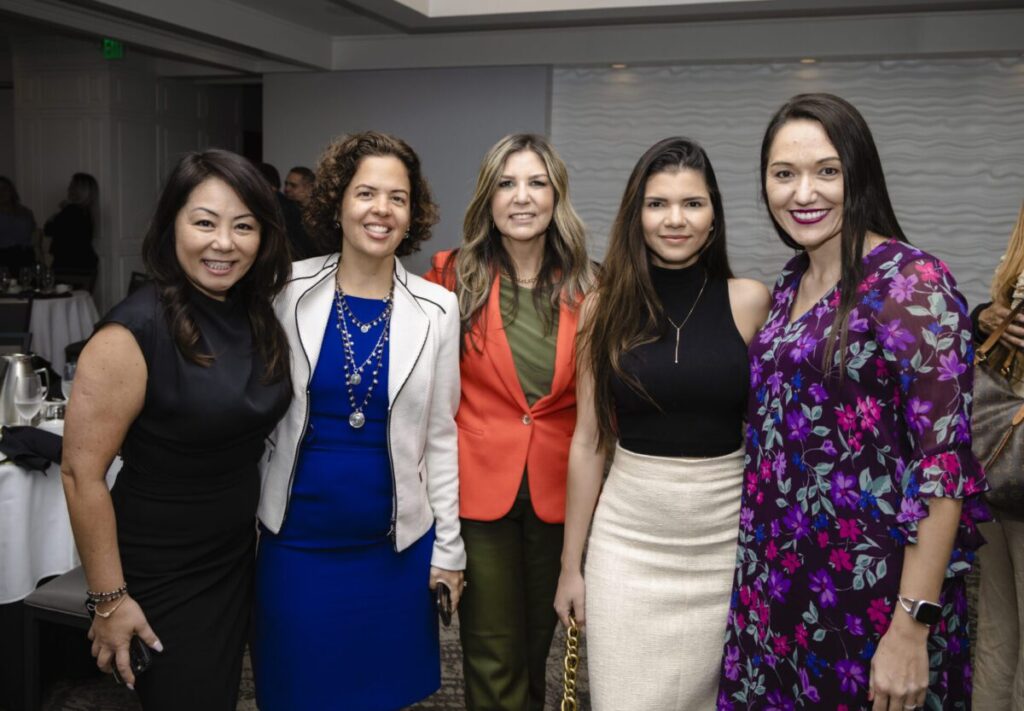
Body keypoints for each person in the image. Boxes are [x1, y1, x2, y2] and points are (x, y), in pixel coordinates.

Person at [715, 93, 989, 710]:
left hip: (871, 602)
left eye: (827, 171)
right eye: (784, 173)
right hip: (776, 588)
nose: (803, 192)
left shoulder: (912, 283)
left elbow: (942, 470)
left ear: (859, 174)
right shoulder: (791, 281)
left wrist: (911, 627)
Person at [60, 149, 292, 709]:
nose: (224, 243)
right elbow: (79, 474)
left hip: (236, 553)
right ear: (172, 226)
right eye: (205, 223)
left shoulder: (256, 313)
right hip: (163, 566)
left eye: (244, 226)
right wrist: (110, 600)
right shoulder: (132, 332)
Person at [551, 137, 769, 709]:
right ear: (636, 215)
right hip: (629, 544)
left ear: (714, 215)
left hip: (725, 543)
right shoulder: (602, 307)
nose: (675, 219)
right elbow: (588, 442)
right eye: (658, 204)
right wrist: (571, 567)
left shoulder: (750, 301)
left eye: (692, 203)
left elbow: (770, 436)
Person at [253, 131, 465, 710]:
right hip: (296, 544)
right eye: (366, 193)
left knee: (379, 696)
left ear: (412, 214)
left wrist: (449, 549)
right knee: (297, 692)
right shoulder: (286, 290)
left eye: (398, 197)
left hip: (393, 550)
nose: (381, 210)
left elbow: (441, 437)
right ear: (337, 202)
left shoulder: (437, 308)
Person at [425, 133, 593, 710]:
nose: (522, 197)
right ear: (487, 198)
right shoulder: (450, 277)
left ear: (556, 196)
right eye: (506, 183)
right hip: (479, 493)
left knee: (536, 646)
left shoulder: (591, 285)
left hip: (557, 494)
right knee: (491, 650)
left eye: (536, 183)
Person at [971, 199, 1024, 710]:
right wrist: (981, 319)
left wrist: (981, 318)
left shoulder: (1014, 264)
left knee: (997, 627)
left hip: (993, 466)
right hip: (1014, 467)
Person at [259, 161, 318, 260]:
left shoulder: (320, 215)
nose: (287, 189)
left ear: (310, 188)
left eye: (293, 186)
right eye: (286, 184)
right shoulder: (283, 209)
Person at [46, 172, 99, 272]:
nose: (68, 189)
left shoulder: (70, 211)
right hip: (85, 263)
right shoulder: (87, 212)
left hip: (68, 264)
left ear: (79, 190)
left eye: (72, 186)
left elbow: (48, 229)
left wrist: (57, 215)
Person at [0, 176, 37, 270]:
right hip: (3, 255)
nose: (1, 192)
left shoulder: (25, 212)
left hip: (24, 255)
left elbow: (34, 236)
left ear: (11, 191)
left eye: (4, 189)